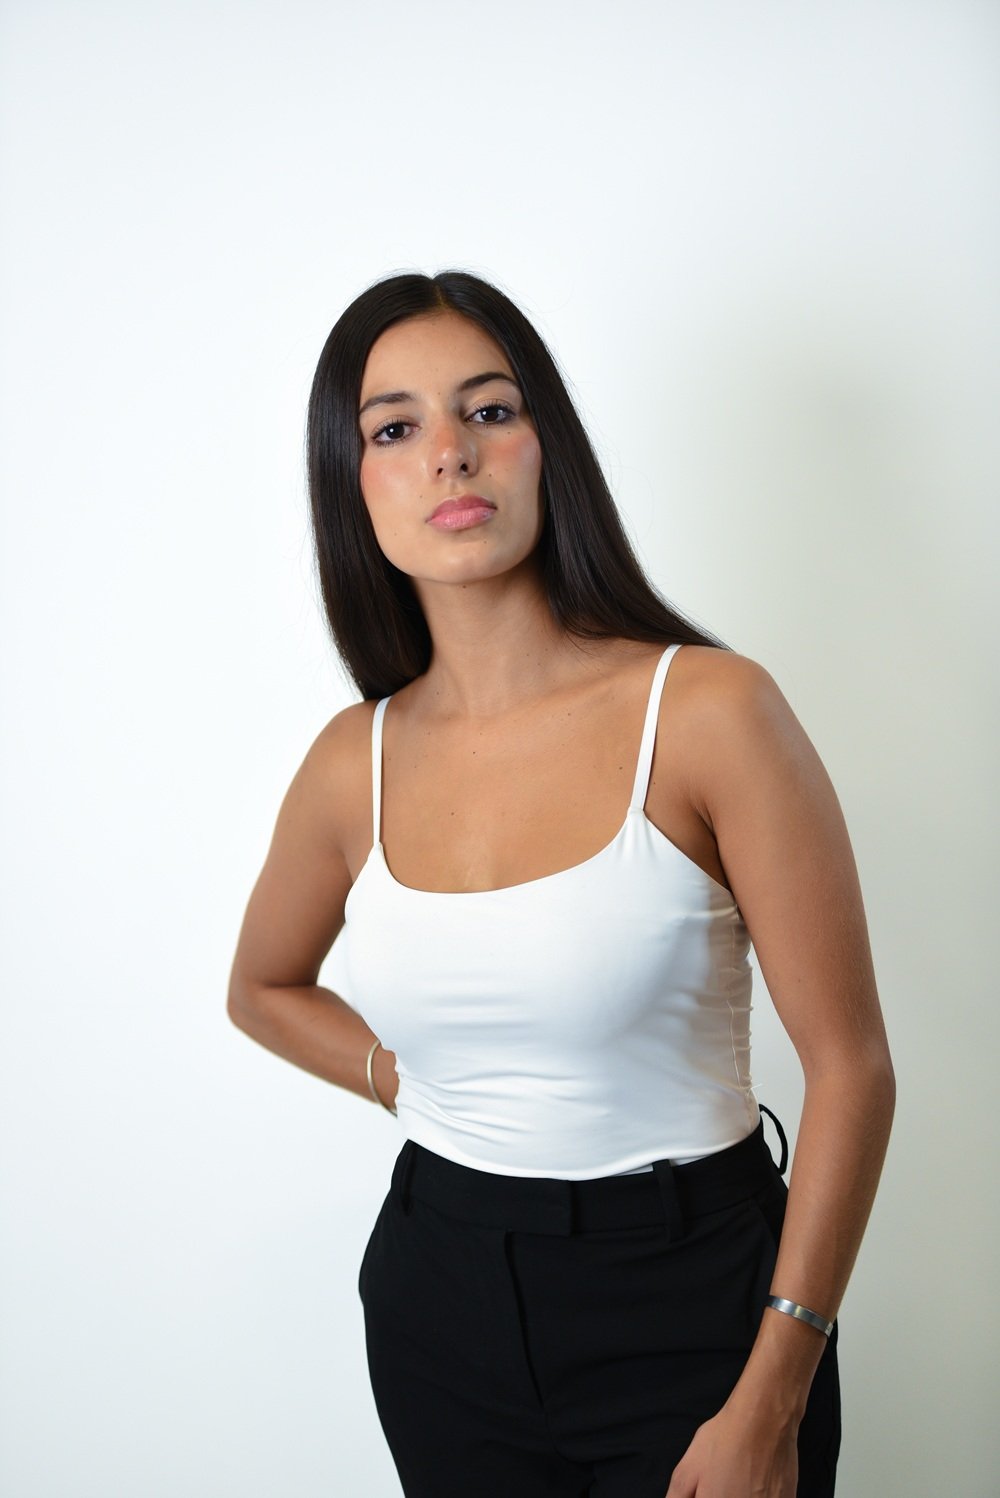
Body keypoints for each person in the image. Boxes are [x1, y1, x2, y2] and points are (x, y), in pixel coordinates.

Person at [227, 270, 895, 1498]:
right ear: (349, 483)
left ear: (549, 447)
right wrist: (405, 1078)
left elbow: (851, 1067)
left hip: (695, 1300)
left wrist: (772, 1396)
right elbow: (261, 987)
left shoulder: (707, 711)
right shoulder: (349, 761)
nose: (449, 452)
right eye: (394, 428)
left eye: (488, 410)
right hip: (440, 1294)